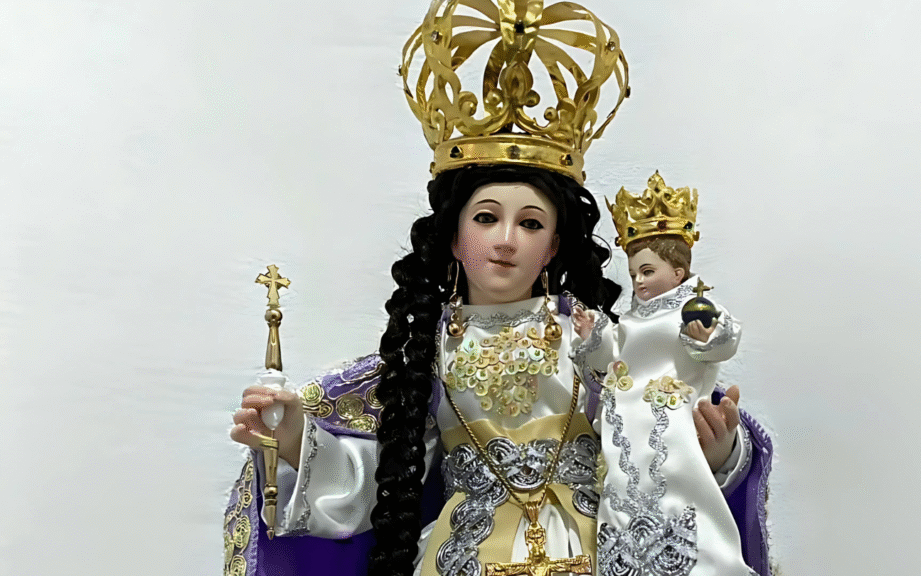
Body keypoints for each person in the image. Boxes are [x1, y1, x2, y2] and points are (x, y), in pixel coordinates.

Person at [223, 2, 773, 576]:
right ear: (454, 238)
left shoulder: (591, 337)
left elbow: (649, 434)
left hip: (591, 548)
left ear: (553, 246)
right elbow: (388, 478)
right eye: (486, 218)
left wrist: (715, 455)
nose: (507, 240)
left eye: (530, 224)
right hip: (464, 554)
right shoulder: (429, 351)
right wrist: (296, 437)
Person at [572, 171, 771, 575]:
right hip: (624, 423)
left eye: (647, 271)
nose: (638, 281)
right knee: (625, 490)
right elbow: (610, 354)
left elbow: (722, 337)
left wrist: (704, 337)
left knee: (679, 484)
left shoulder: (691, 308)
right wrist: (593, 337)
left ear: (678, 272)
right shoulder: (630, 318)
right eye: (634, 274)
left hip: (670, 417)